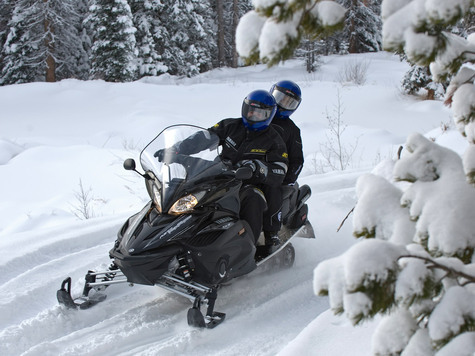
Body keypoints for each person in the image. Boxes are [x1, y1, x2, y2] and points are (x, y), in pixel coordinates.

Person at [156, 89, 288, 254]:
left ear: (269, 115)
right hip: (221, 175)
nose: (253, 115)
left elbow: (280, 168)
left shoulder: (274, 139)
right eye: (250, 110)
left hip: (250, 183)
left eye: (260, 113)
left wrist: (258, 167)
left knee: (252, 200)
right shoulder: (231, 126)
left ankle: (250, 247)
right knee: (188, 193)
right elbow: (204, 138)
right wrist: (175, 150)